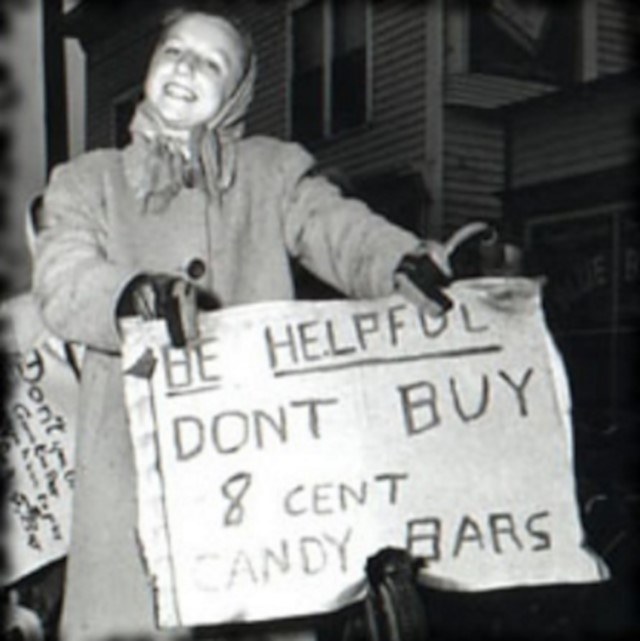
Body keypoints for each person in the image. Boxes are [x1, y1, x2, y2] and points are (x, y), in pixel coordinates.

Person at [33, 8, 497, 641]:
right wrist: (130, 296)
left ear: (238, 93)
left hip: (254, 477)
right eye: (174, 50)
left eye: (211, 62)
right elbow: (62, 278)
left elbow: (337, 230)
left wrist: (404, 263)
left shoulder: (272, 174)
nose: (185, 68)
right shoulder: (87, 183)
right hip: (131, 482)